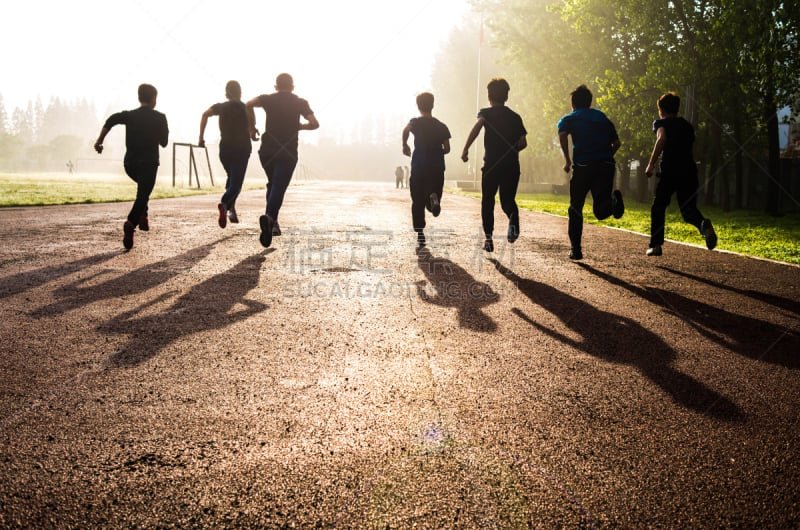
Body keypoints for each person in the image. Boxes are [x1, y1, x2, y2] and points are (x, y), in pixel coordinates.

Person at [246, 73, 319, 247]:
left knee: (273, 184)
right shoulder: (300, 102)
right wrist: (300, 126)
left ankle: (273, 223)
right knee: (278, 185)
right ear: (293, 87)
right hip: (288, 152)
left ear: (276, 87)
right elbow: (315, 123)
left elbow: (248, 104)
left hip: (266, 151)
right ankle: (270, 217)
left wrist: (251, 127)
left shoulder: (267, 99)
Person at [94, 83, 169, 250]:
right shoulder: (160, 117)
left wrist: (99, 141)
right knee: (143, 194)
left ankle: (144, 215)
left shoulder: (130, 115)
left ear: (139, 98)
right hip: (149, 164)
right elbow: (164, 143)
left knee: (143, 191)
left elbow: (111, 120)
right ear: (154, 99)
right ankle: (131, 222)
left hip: (130, 164)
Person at [644, 92, 716, 256]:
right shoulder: (687, 126)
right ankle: (703, 225)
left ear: (661, 110)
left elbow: (661, 139)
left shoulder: (661, 123)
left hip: (669, 171)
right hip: (689, 171)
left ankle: (655, 245)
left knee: (658, 207)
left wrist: (650, 164)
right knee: (689, 210)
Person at [557, 84, 624, 260]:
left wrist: (567, 160)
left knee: (576, 207)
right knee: (601, 211)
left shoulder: (569, 118)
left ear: (573, 104)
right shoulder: (602, 117)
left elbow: (562, 134)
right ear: (589, 102)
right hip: (606, 165)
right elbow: (616, 143)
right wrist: (605, 157)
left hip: (583, 166)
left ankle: (576, 249)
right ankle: (614, 202)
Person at [461, 78, 527, 252]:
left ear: (489, 96)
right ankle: (513, 217)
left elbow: (477, 127)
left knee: (488, 201)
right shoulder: (515, 117)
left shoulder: (486, 113)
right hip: (511, 165)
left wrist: (466, 148)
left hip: (491, 165)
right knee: (507, 200)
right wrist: (511, 151)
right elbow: (523, 143)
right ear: (506, 96)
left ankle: (488, 239)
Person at [199, 80, 252, 228]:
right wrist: (253, 133)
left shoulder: (221, 107)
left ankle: (232, 209)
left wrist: (201, 138)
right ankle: (224, 203)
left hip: (225, 149)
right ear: (240, 94)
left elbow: (204, 115)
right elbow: (250, 127)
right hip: (241, 149)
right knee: (236, 183)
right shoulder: (245, 107)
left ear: (226, 94)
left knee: (232, 178)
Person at [402, 92, 451, 247]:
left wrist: (405, 144)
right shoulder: (441, 126)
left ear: (418, 106)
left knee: (417, 198)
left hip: (419, 164)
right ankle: (433, 198)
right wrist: (436, 153)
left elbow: (406, 130)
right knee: (433, 191)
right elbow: (447, 148)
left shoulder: (415, 122)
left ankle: (420, 233)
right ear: (433, 105)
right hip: (436, 165)